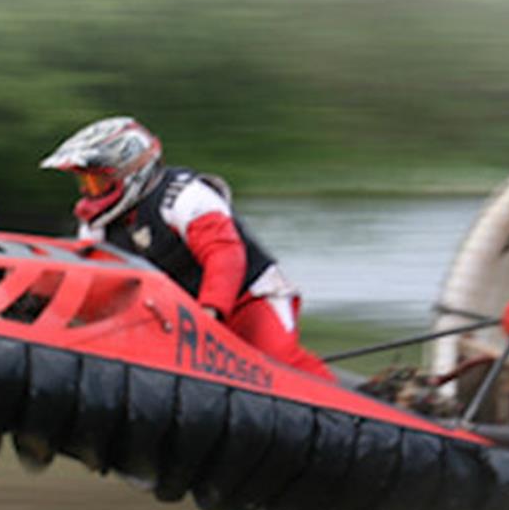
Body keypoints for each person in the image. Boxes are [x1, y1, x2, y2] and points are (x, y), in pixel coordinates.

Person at [40, 116, 334, 381]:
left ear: (129, 171)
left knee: (278, 368)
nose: (88, 191)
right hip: (179, 317)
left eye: (97, 180)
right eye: (85, 182)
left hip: (250, 299)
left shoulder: (182, 195)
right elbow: (90, 277)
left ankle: (358, 419)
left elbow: (224, 253)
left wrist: (207, 314)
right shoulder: (97, 225)